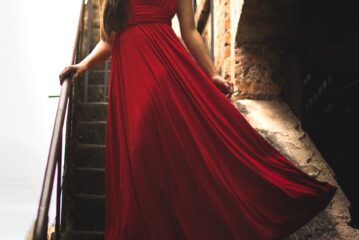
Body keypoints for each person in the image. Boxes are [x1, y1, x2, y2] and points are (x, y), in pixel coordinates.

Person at [59, 0, 337, 239]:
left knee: (159, 149)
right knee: (138, 154)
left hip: (165, 70)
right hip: (130, 77)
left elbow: (190, 32)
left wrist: (212, 73)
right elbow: (110, 39)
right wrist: (81, 65)